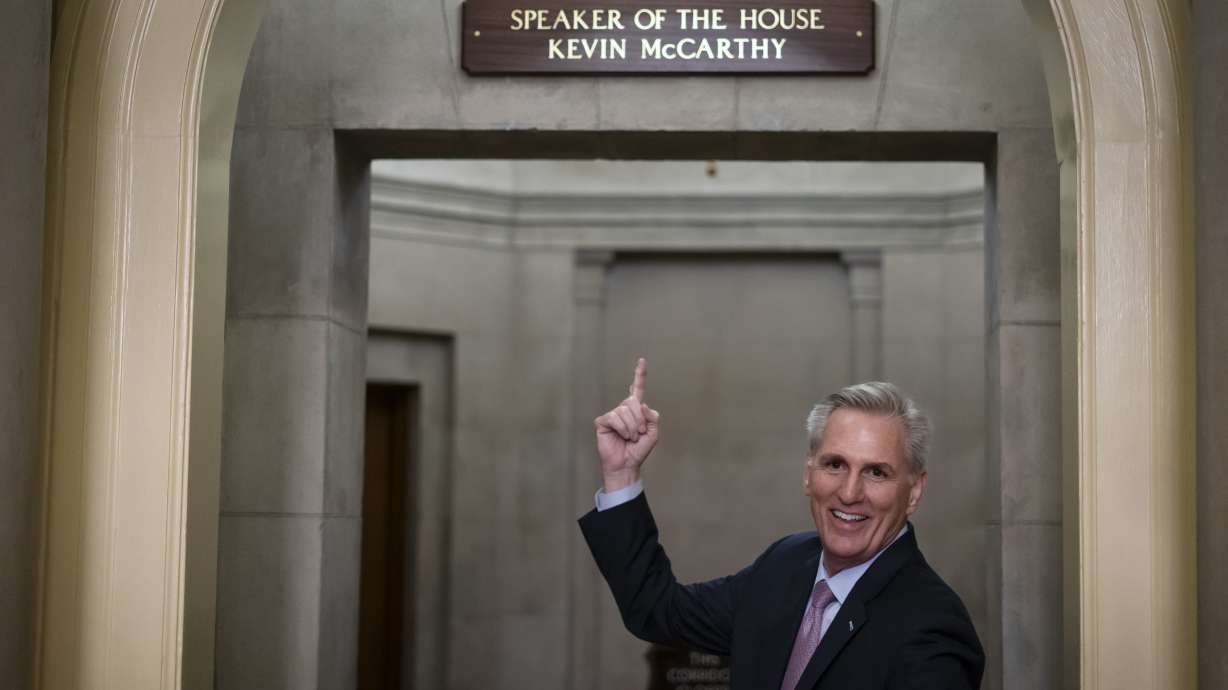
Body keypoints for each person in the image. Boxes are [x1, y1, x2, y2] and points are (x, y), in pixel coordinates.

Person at [579, 358, 984, 690]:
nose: (849, 492)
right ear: (809, 474)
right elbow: (657, 610)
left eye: (876, 472)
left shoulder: (933, 628)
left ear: (913, 492)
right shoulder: (786, 563)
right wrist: (621, 473)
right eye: (835, 464)